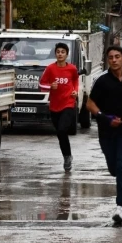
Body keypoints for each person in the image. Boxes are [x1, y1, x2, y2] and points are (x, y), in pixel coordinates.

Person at [86, 46, 122, 226]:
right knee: (113, 167)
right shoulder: (101, 81)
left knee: (121, 166)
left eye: (117, 56)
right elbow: (89, 104)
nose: (114, 60)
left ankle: (120, 208)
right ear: (107, 60)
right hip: (106, 131)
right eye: (110, 57)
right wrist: (104, 117)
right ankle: (117, 176)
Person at [39, 42, 80, 172]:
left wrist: (75, 91)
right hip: (55, 106)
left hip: (68, 104)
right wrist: (51, 86)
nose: (60, 54)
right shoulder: (50, 68)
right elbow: (41, 85)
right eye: (58, 52)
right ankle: (67, 155)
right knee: (60, 134)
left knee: (62, 130)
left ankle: (67, 158)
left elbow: (75, 80)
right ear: (55, 54)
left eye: (63, 52)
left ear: (67, 54)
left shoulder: (72, 68)